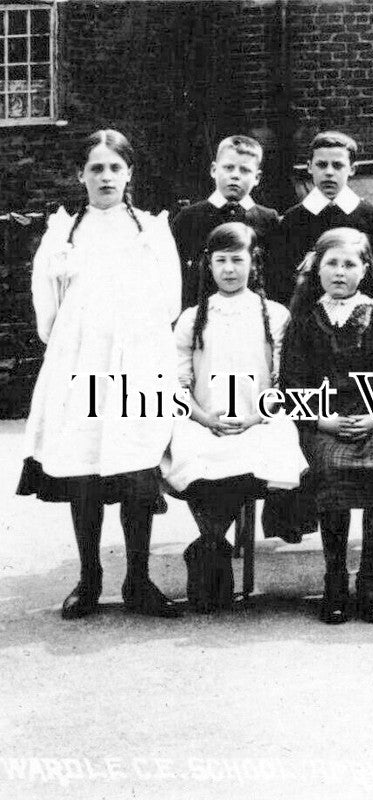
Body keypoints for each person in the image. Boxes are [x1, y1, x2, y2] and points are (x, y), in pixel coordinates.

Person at [17, 129, 181, 619]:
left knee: (135, 467)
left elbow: (168, 302)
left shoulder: (151, 231)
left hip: (136, 364)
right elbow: (47, 311)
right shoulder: (62, 234)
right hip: (80, 362)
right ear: (81, 175)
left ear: (130, 173)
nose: (106, 177)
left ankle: (138, 578)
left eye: (115, 168)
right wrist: (78, 345)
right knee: (84, 467)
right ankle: (89, 579)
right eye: (96, 168)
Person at [161, 222, 307, 611]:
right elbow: (177, 381)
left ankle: (209, 549)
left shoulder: (274, 315)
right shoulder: (193, 318)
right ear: (208, 265)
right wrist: (203, 417)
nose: (229, 269)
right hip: (203, 420)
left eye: (237, 260)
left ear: (253, 263)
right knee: (194, 455)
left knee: (262, 452)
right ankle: (213, 546)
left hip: (259, 420)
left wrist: (256, 417)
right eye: (221, 261)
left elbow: (284, 379)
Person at [279, 228, 373, 624]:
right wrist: (322, 419)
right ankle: (335, 577)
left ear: (365, 269)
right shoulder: (304, 321)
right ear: (317, 269)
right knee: (331, 471)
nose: (340, 272)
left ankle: (369, 579)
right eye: (331, 263)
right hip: (325, 419)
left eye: (350, 264)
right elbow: (293, 380)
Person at [269, 131, 373, 305]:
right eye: (322, 165)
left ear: (352, 169)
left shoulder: (369, 216)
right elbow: (283, 278)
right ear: (309, 167)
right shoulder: (293, 219)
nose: (329, 173)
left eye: (338, 166)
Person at [171, 134, 280, 311]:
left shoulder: (268, 220)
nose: (235, 175)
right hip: (201, 312)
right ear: (214, 170)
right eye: (228, 168)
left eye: (245, 170)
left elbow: (275, 277)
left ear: (257, 177)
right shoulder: (188, 217)